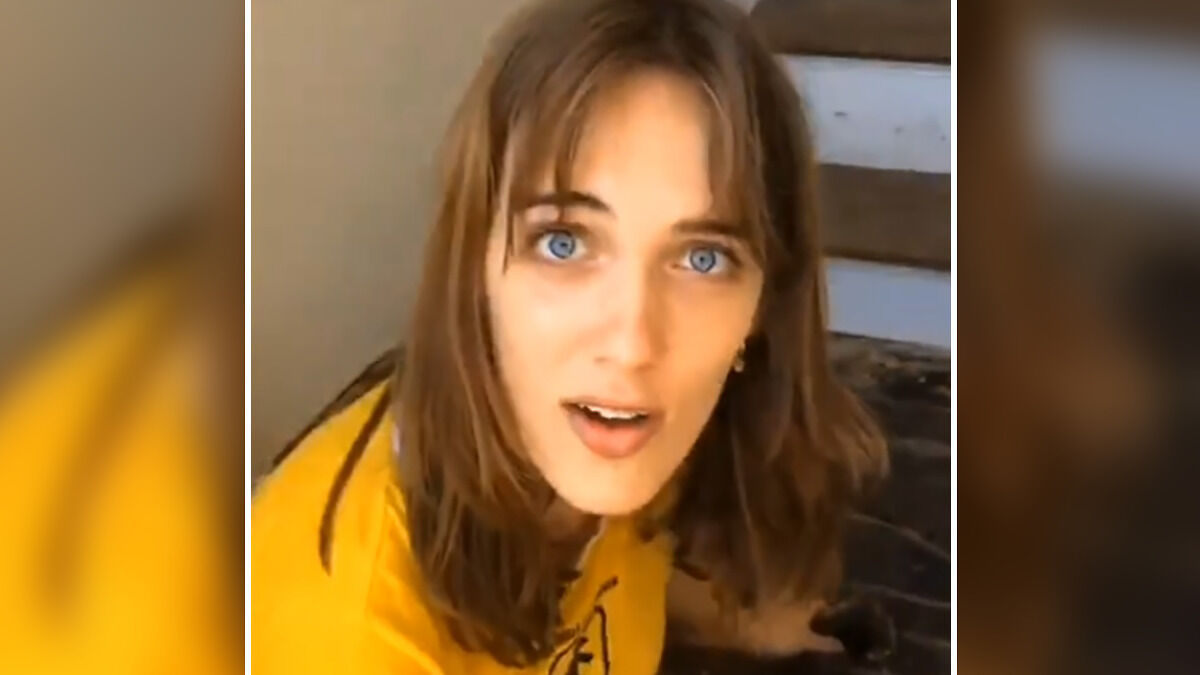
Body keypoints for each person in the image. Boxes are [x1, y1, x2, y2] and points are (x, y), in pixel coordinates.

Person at [252, 0, 886, 672]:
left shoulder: (614, 439)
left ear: (763, 306)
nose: (632, 345)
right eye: (564, 242)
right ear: (475, 270)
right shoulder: (351, 632)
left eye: (703, 259)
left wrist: (731, 613)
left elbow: (623, 553)